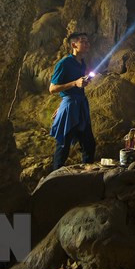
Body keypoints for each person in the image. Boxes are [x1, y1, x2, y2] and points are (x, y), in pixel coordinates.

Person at [49, 32, 96, 170]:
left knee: (89, 144)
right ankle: (54, 180)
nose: (87, 44)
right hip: (70, 109)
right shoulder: (64, 63)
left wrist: (82, 82)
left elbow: (75, 88)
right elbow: (52, 88)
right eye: (83, 41)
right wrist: (75, 83)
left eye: (88, 41)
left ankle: (87, 175)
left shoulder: (82, 63)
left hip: (80, 106)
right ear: (74, 45)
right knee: (63, 146)